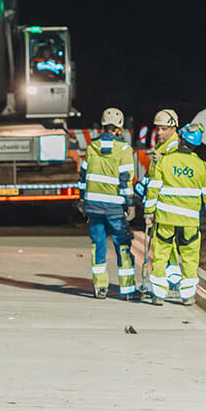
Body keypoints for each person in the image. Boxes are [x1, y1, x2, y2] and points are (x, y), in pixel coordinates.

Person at [144, 123, 206, 305]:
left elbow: (153, 190)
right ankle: (187, 295)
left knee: (161, 256)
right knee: (190, 258)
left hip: (165, 219)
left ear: (180, 139)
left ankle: (158, 295)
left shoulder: (165, 161)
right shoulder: (201, 166)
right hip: (190, 222)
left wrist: (149, 212)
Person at [77, 107, 136, 300]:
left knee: (98, 246)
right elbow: (126, 181)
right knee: (122, 245)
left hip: (93, 207)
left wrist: (82, 199)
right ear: (120, 127)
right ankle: (127, 290)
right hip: (115, 209)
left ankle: (100, 288)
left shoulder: (92, 147)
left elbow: (83, 177)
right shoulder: (124, 150)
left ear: (102, 125)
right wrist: (131, 205)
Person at [140, 109, 183, 290]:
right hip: (161, 202)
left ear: (174, 128)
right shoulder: (162, 146)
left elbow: (173, 171)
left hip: (167, 204)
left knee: (162, 244)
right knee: (167, 244)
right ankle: (173, 279)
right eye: (157, 129)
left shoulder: (174, 147)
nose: (159, 133)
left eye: (163, 129)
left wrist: (163, 160)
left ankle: (167, 283)